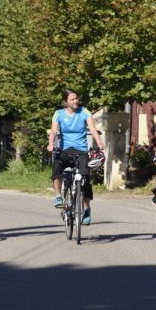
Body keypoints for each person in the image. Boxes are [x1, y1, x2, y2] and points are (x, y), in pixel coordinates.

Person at [47, 89, 105, 226]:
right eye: (72, 99)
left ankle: (86, 209)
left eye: (76, 99)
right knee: (57, 166)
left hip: (81, 151)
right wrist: (51, 144)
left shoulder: (84, 112)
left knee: (86, 178)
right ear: (66, 101)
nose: (75, 101)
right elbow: (54, 130)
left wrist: (99, 142)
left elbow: (92, 128)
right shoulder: (59, 114)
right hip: (65, 150)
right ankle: (58, 197)